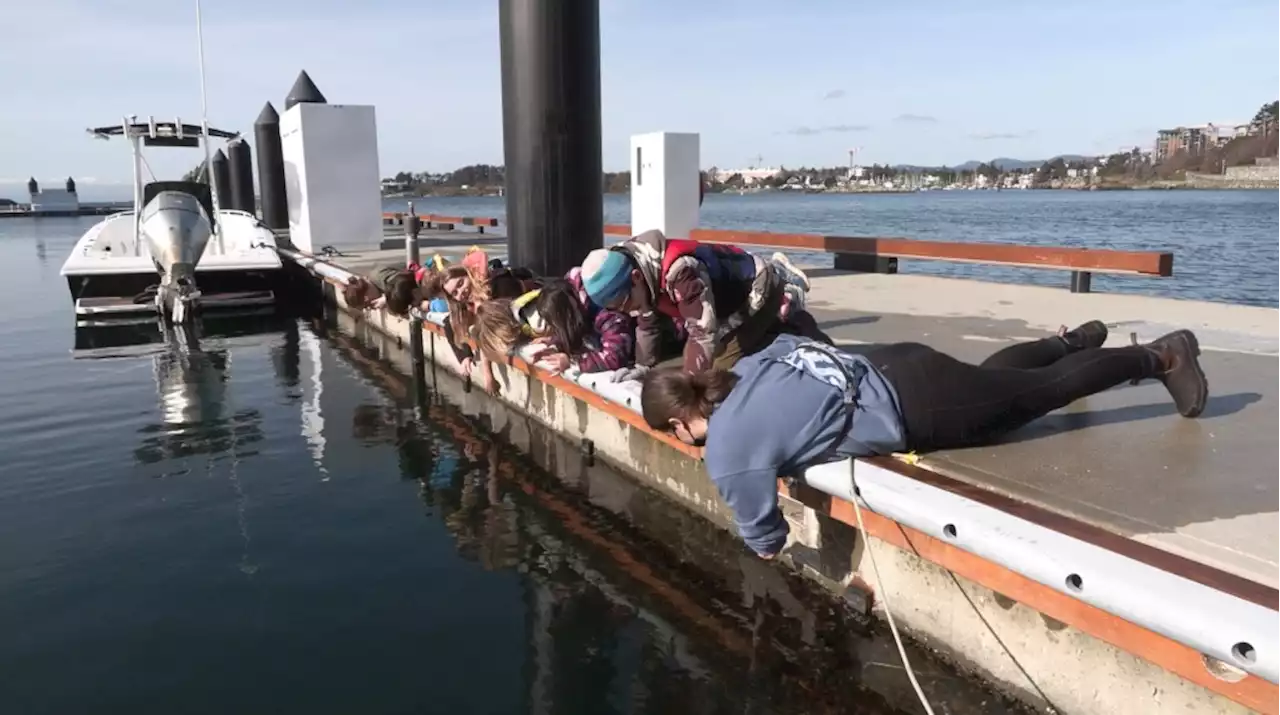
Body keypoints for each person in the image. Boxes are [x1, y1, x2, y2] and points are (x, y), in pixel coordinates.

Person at [639, 322, 1209, 558]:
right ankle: (1072, 341)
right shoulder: (751, 366)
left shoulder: (728, 451)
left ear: (679, 424)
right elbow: (798, 347)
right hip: (894, 363)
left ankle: (1161, 356)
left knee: (1031, 396)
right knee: (992, 378)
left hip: (915, 405)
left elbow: (765, 539)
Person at [579, 229, 829, 377]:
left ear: (635, 278)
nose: (628, 311)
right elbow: (646, 323)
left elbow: (702, 335)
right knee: (722, 353)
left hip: (753, 290)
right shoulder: (634, 269)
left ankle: (795, 317)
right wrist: (642, 367)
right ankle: (786, 313)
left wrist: (688, 391)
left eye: (624, 303)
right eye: (616, 309)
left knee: (721, 368)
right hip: (717, 303)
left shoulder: (681, 274)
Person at [472, 277, 635, 375]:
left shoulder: (607, 315)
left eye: (552, 324)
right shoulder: (568, 299)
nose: (545, 326)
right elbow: (568, 326)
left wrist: (572, 361)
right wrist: (555, 341)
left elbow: (613, 356)